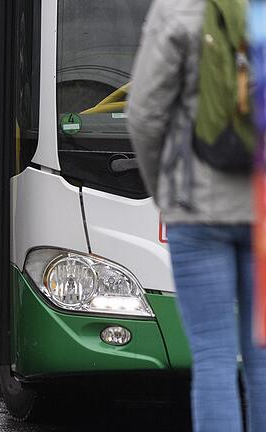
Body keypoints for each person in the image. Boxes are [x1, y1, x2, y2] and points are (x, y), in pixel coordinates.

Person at [128, 1, 266, 431]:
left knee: (213, 357)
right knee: (263, 357)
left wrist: (164, 190)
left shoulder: (178, 8)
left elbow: (145, 115)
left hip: (197, 209)